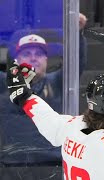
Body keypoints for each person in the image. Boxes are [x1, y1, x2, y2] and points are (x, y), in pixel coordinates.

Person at [0, 13, 88, 165]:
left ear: (46, 60)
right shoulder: (3, 83)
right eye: (27, 54)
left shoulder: (58, 82)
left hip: (52, 162)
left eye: (39, 54)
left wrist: (77, 33)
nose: (33, 58)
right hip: (11, 162)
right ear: (17, 60)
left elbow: (76, 63)